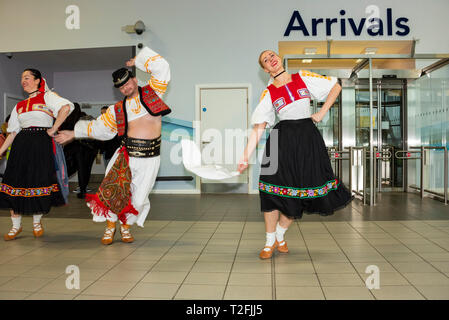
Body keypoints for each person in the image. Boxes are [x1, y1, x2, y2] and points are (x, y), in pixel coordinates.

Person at [238, 50, 353, 259]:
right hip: (282, 140)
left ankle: (280, 235)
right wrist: (245, 156)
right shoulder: (269, 93)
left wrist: (321, 112)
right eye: (265, 60)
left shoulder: (303, 77)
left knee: (300, 190)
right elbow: (259, 127)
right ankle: (268, 241)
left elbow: (336, 86)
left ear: (279, 59)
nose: (270, 59)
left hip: (307, 138)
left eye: (272, 55)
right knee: (271, 188)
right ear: (265, 69)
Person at [55, 45, 171, 245]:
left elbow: (162, 66)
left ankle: (125, 227)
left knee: (138, 198)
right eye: (121, 87)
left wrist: (139, 60)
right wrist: (74, 133)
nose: (125, 88)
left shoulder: (153, 93)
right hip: (125, 156)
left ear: (134, 80)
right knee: (114, 191)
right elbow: (98, 128)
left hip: (150, 158)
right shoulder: (117, 109)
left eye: (127, 83)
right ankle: (110, 227)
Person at [0, 69, 73, 241]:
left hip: (41, 145)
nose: (23, 81)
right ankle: (15, 226)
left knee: (38, 180)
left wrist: (54, 128)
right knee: (15, 181)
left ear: (38, 80)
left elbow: (66, 107)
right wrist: (1, 151)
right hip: (21, 146)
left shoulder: (48, 97)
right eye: (21, 78)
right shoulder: (19, 106)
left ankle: (36, 223)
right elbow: (12, 133)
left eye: (27, 77)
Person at [59, 103, 100, 199]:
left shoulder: (67, 119)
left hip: (73, 148)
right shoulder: (85, 117)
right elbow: (93, 132)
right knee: (85, 170)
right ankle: (82, 190)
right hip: (88, 149)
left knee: (70, 168)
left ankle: (59, 186)